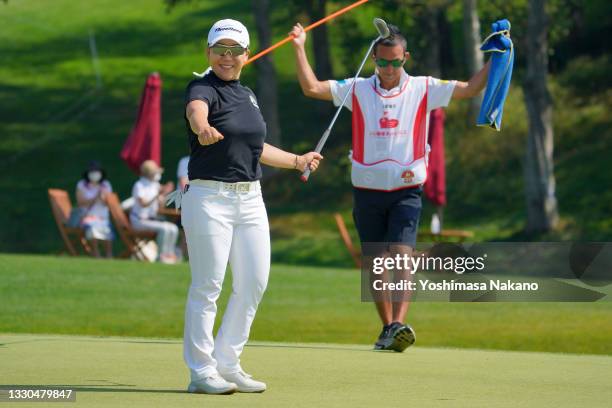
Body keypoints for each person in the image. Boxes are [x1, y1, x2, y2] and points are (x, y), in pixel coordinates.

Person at [290, 22, 490, 352]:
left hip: (406, 190)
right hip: (367, 191)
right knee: (375, 263)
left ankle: (399, 323)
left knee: (400, 257)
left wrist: (495, 60)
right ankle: (388, 328)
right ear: (373, 59)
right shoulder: (357, 88)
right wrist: (299, 46)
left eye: (396, 62)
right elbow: (311, 88)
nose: (389, 69)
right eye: (383, 63)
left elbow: (469, 89)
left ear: (405, 58)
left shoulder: (424, 87)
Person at [182, 19, 322, 395]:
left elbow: (257, 149)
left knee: (253, 283)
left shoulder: (247, 95)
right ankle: (201, 370)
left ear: (246, 55)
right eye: (220, 50)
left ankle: (228, 363)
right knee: (207, 286)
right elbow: (197, 112)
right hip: (209, 198)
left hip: (250, 198)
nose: (227, 57)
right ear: (208, 52)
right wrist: (202, 128)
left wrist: (296, 160)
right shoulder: (202, 86)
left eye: (234, 51)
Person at [130, 160, 178, 264]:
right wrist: (157, 195)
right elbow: (143, 204)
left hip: (151, 220)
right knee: (165, 229)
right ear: (149, 174)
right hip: (139, 221)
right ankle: (160, 256)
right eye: (155, 172)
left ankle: (169, 255)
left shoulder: (154, 185)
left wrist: (165, 193)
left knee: (173, 228)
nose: (158, 175)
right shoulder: (139, 185)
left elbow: (160, 205)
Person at [75, 161, 113, 258]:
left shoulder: (106, 185)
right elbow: (80, 202)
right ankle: (96, 253)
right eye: (92, 171)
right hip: (87, 216)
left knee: (107, 229)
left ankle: (109, 255)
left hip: (102, 217)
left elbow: (109, 203)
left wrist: (103, 197)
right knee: (92, 228)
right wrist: (95, 197)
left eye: (97, 171)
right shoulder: (81, 184)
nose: (95, 174)